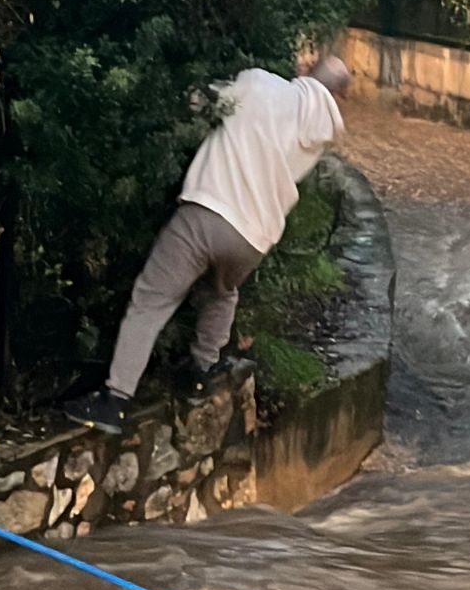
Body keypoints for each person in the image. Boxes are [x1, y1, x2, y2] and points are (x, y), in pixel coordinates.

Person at [64, 57, 350, 433]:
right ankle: (201, 371)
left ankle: (115, 400)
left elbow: (203, 101)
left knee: (151, 299)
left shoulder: (260, 83)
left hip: (208, 210)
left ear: (305, 72)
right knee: (223, 291)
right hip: (253, 237)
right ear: (334, 96)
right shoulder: (318, 135)